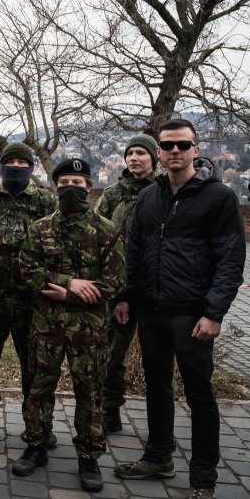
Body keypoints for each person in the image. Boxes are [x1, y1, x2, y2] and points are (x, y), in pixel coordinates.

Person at [113, 119, 246, 499]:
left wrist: (213, 313)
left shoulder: (218, 197)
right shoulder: (150, 197)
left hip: (192, 313)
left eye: (182, 145)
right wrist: (125, 297)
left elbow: (231, 260)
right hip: (151, 310)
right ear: (160, 152)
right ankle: (158, 456)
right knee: (157, 386)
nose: (174, 151)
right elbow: (134, 251)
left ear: (194, 148)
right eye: (167, 146)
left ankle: (203, 482)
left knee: (200, 396)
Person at [11, 158, 124, 493]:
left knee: (89, 391)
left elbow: (115, 282)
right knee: (39, 387)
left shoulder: (106, 230)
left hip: (89, 329)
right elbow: (26, 268)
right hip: (47, 326)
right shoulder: (41, 228)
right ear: (54, 186)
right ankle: (35, 445)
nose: (71, 189)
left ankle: (89, 458)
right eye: (64, 183)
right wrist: (68, 281)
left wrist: (73, 295)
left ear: (89, 187)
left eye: (78, 183)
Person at [0, 142, 57, 440]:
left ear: (31, 167)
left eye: (23, 164)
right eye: (12, 163)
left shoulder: (46, 202)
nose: (17, 169)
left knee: (34, 365)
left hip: (30, 300)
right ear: (2, 165)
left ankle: (37, 424)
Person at [93, 134, 159, 434]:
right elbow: (96, 235)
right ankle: (110, 409)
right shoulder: (114, 193)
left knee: (158, 357)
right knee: (114, 353)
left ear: (153, 158)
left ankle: (162, 425)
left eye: (140, 153)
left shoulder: (164, 191)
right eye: (130, 153)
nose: (134, 158)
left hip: (157, 288)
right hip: (118, 286)